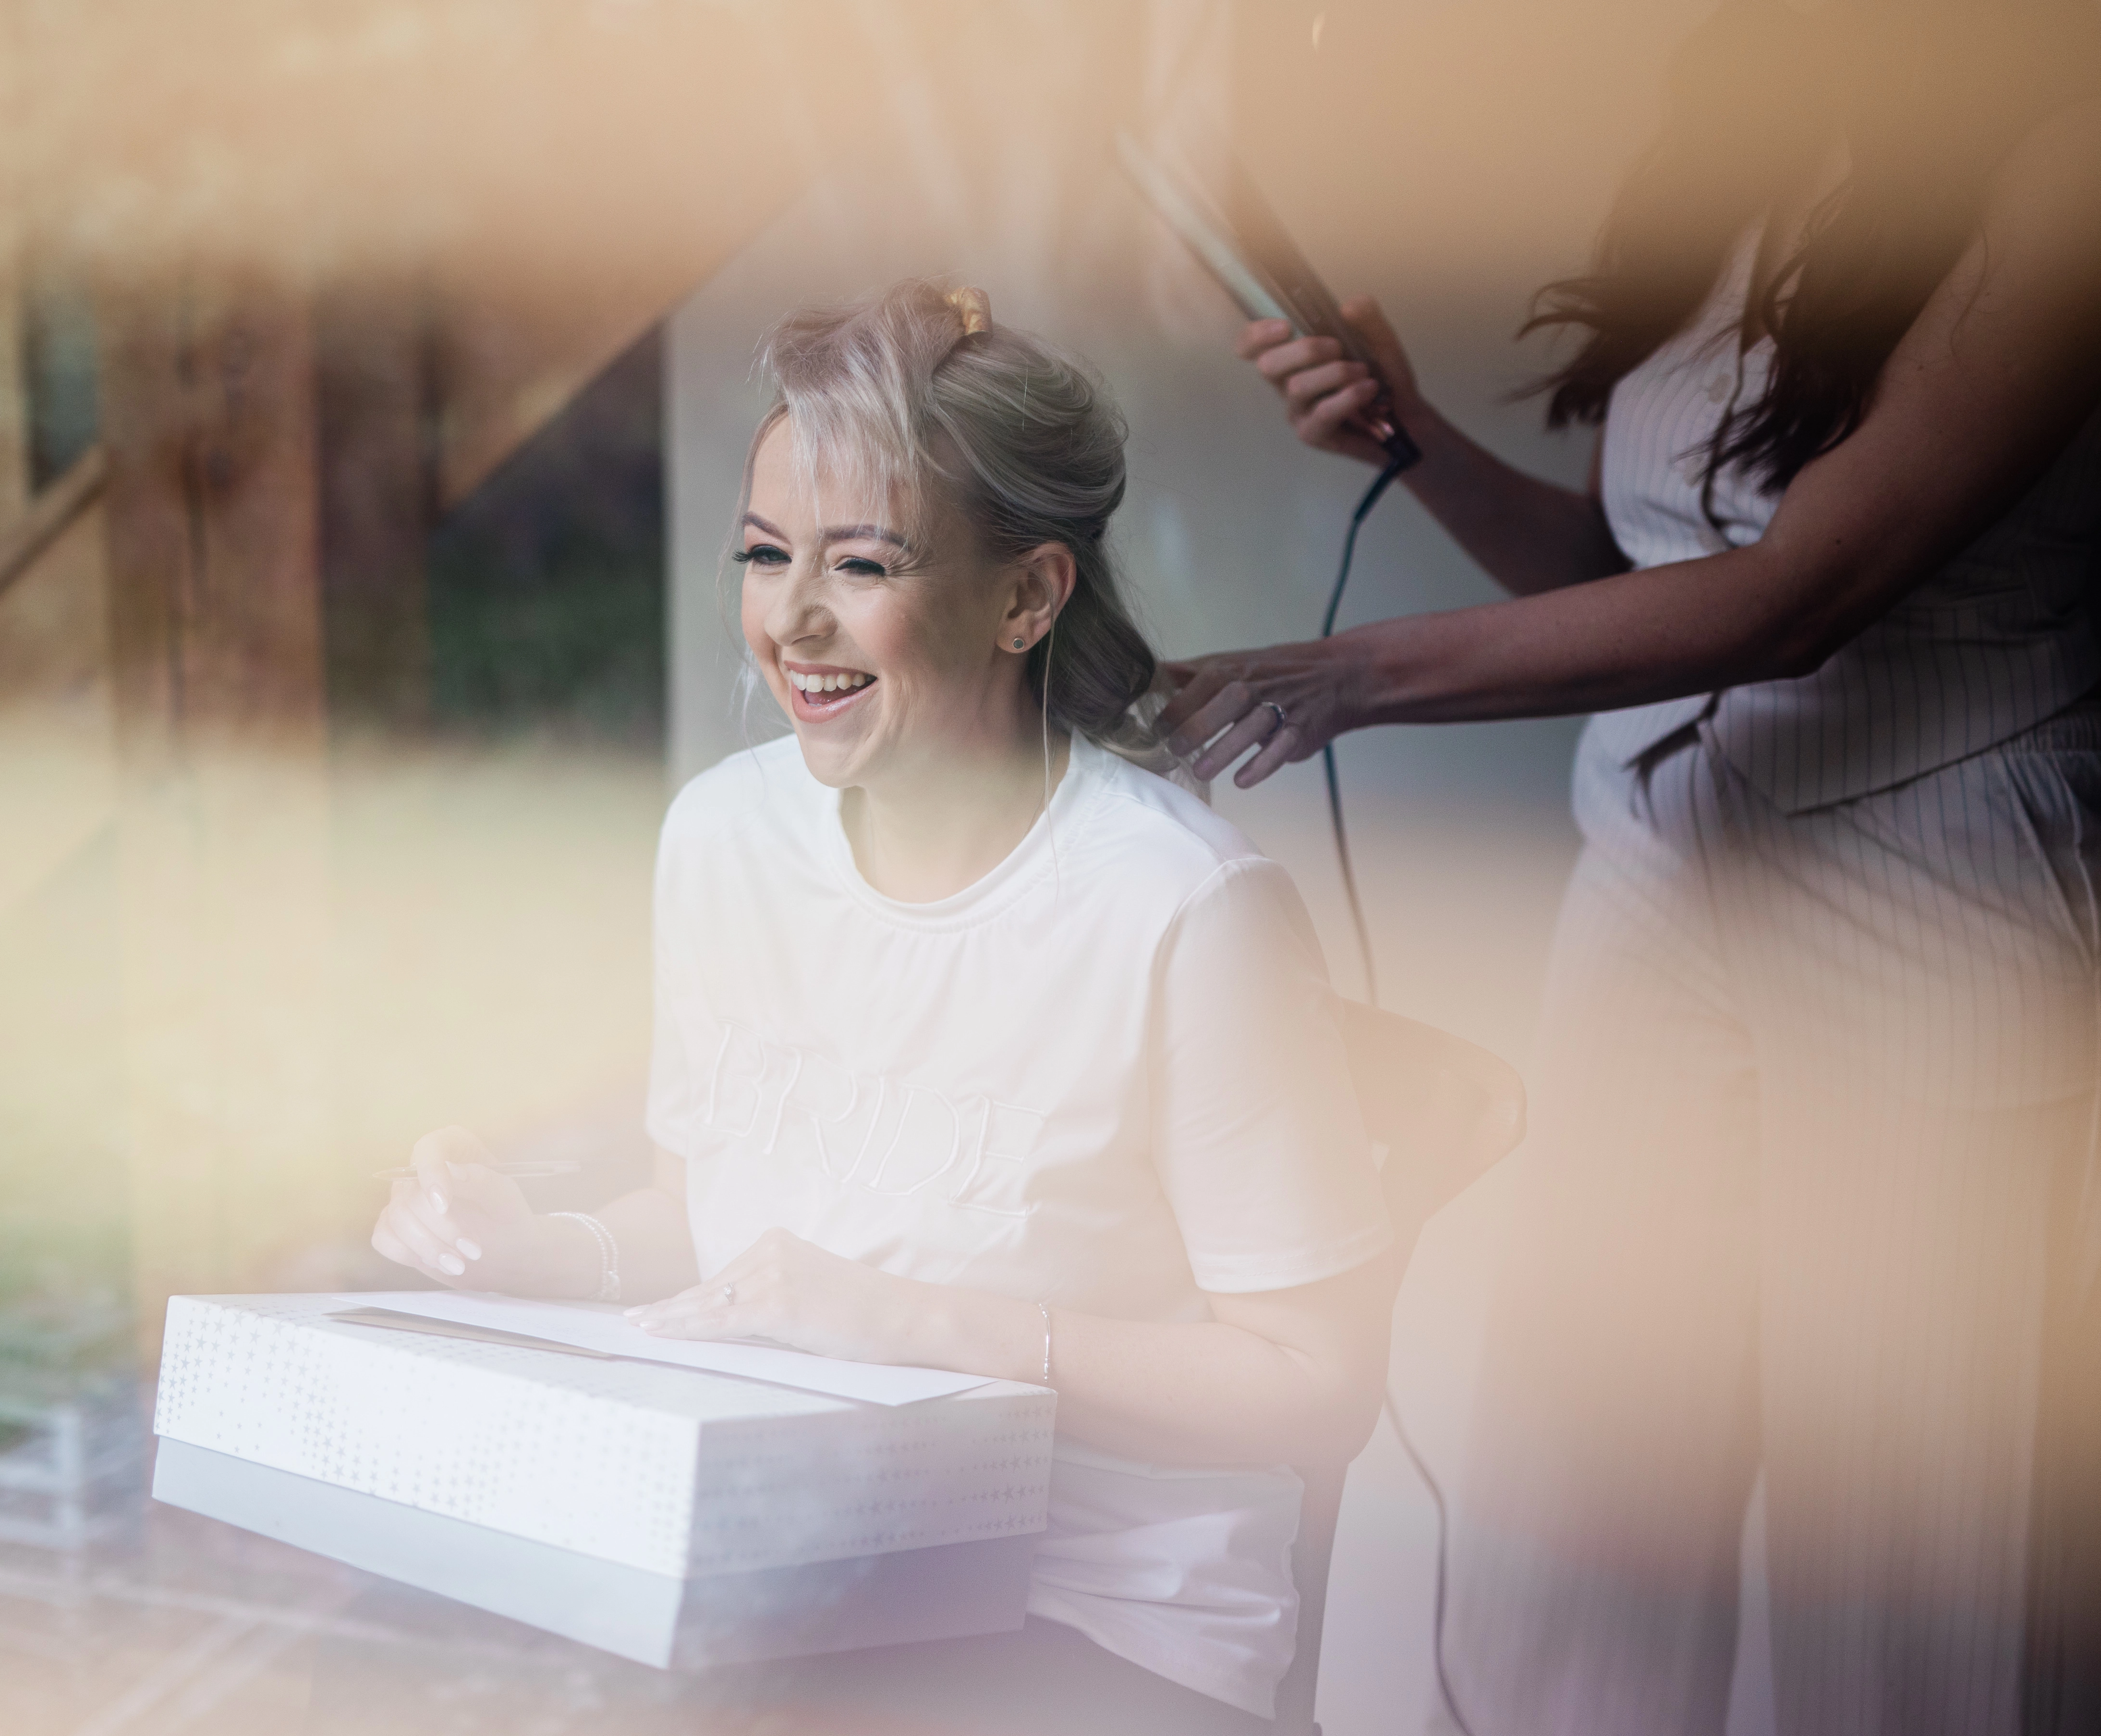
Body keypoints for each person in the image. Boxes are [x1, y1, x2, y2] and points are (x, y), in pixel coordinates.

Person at [1158, 3, 2101, 1732]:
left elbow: (1795, 595)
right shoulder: (1749, 159)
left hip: (1940, 915)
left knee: (1916, 1606)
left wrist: (1340, 674)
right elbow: (1618, 555)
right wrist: (1406, 434)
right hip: (1654, 897)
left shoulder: (2064, 161)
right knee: (1565, 1541)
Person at [370, 280, 1395, 1733]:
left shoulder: (1183, 909)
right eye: (763, 552)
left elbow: (1317, 1387)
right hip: (796, 1575)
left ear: (1026, 596)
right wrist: (534, 1249)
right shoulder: (721, 840)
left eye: (859, 564)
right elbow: (721, 1225)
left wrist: (915, 1321)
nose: (790, 620)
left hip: (1092, 1627)